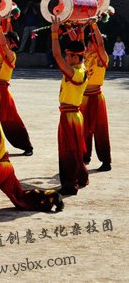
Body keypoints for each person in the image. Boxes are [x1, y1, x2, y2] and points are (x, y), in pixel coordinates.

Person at [51, 19, 89, 195]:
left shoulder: (76, 71)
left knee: (69, 151)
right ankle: (79, 178)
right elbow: (79, 45)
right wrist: (78, 30)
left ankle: (70, 184)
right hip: (72, 115)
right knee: (74, 149)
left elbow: (57, 57)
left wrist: (54, 33)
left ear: (76, 56)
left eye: (70, 55)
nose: (67, 58)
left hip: (70, 117)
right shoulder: (80, 67)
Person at [0, 17, 33, 156]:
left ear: (12, 44)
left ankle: (27, 146)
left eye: (7, 41)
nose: (4, 42)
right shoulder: (1, 52)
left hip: (2, 91)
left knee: (11, 121)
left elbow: (2, 43)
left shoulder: (11, 55)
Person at [81, 23, 111, 172]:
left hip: (97, 97)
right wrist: (79, 28)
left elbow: (100, 43)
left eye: (92, 43)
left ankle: (106, 161)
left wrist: (93, 25)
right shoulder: (86, 56)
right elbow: (79, 42)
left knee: (100, 130)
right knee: (84, 129)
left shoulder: (102, 58)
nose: (90, 46)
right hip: (84, 97)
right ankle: (85, 157)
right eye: (89, 43)